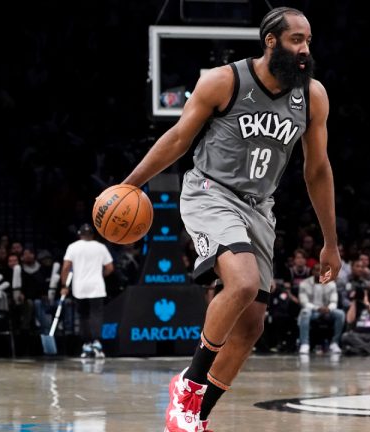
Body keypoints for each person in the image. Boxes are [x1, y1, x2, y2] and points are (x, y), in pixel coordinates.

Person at [120, 7, 340, 432]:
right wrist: (131, 184)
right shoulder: (224, 80)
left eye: (309, 41)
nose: (305, 50)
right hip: (210, 192)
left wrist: (330, 240)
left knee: (252, 325)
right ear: (271, 41)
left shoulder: (312, 96)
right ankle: (189, 384)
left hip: (260, 206)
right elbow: (179, 138)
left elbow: (317, 170)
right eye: (296, 40)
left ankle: (196, 416)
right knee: (239, 282)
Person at [60, 223, 114, 358]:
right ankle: (96, 343)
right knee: (96, 315)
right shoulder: (100, 247)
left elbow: (66, 267)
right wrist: (101, 274)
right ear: (93, 235)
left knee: (83, 316)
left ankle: (86, 345)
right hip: (96, 286)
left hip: (80, 287)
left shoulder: (73, 247)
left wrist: (64, 285)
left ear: (80, 235)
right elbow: (110, 268)